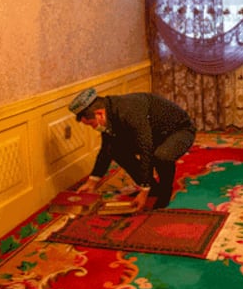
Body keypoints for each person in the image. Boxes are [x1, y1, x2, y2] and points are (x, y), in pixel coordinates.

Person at [68, 88, 196, 209]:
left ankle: (164, 191)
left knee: (161, 155)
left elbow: (146, 147)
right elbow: (106, 149)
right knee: (115, 149)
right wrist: (92, 181)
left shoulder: (128, 111)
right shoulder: (110, 110)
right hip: (155, 133)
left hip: (179, 130)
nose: (93, 128)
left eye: (91, 124)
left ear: (99, 114)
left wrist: (144, 189)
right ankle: (153, 188)